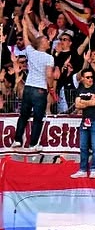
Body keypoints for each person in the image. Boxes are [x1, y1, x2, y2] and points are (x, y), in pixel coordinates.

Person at [12, 17, 55, 152]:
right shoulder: (49, 57)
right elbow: (49, 74)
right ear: (42, 43)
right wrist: (51, 86)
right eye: (47, 40)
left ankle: (17, 140)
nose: (49, 42)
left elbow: (25, 39)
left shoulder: (31, 52)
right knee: (37, 118)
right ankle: (33, 144)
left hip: (28, 87)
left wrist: (24, 26)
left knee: (23, 115)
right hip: (40, 89)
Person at [71, 71, 95, 179]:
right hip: (85, 121)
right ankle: (83, 170)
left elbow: (94, 103)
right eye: (88, 77)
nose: (90, 79)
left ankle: (94, 169)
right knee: (83, 146)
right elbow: (77, 105)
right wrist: (87, 102)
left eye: (92, 77)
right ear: (83, 79)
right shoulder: (80, 89)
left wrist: (82, 102)